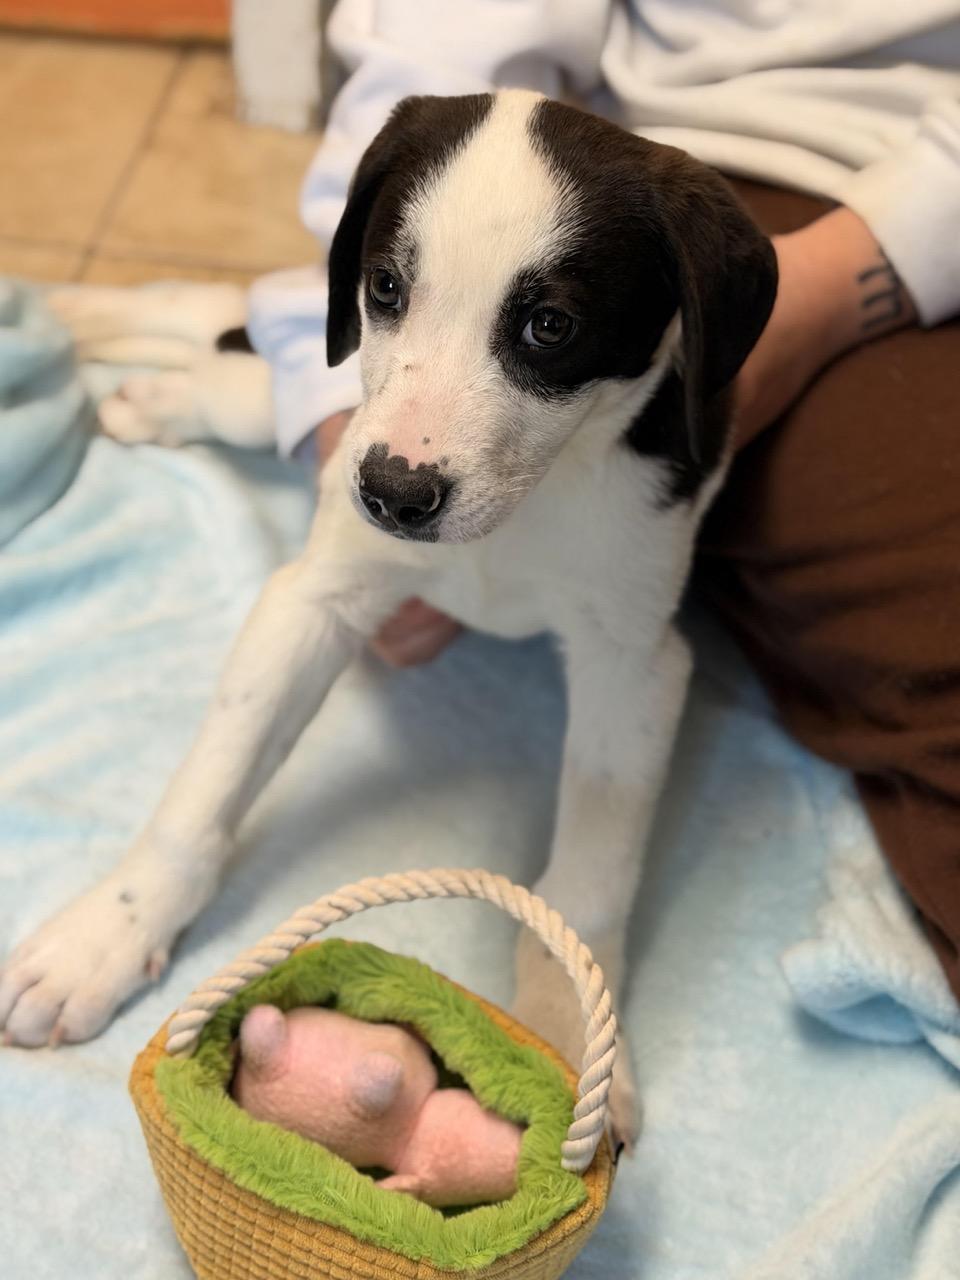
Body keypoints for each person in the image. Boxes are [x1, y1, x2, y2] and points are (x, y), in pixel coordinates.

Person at [248, 0, 960, 998]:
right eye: (387, 293)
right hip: (640, 156)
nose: (404, 463)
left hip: (903, 201)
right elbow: (433, 83)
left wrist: (850, 277)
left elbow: (628, 656)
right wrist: (323, 382)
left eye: (546, 329)